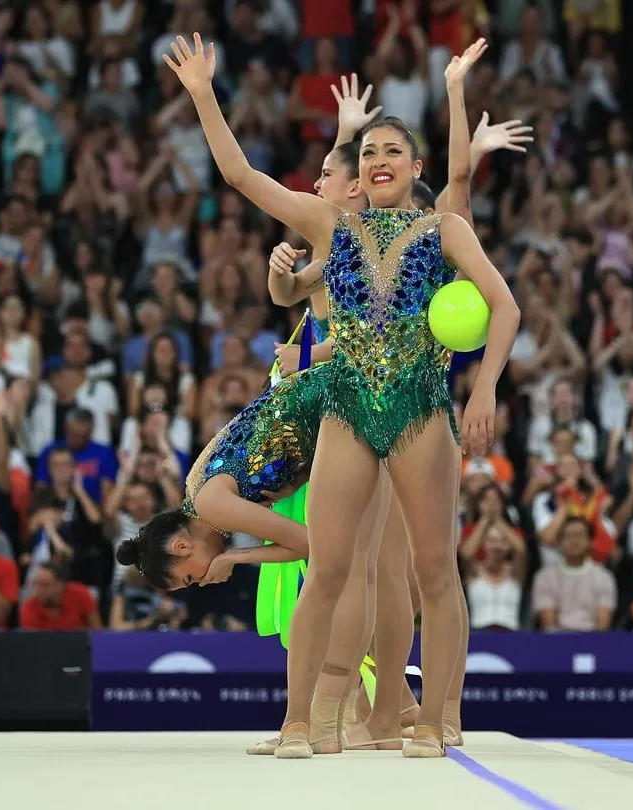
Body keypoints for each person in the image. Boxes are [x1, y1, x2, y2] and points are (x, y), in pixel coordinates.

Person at [162, 33, 519, 758]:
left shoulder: (443, 226)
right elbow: (239, 176)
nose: (380, 160)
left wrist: (483, 390)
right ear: (357, 173)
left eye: (394, 152)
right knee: (324, 567)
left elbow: (503, 306)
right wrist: (203, 93)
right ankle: (301, 721)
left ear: (415, 168)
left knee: (431, 570)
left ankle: (433, 722)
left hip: (421, 408)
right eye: (370, 153)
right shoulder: (331, 223)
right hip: (347, 410)